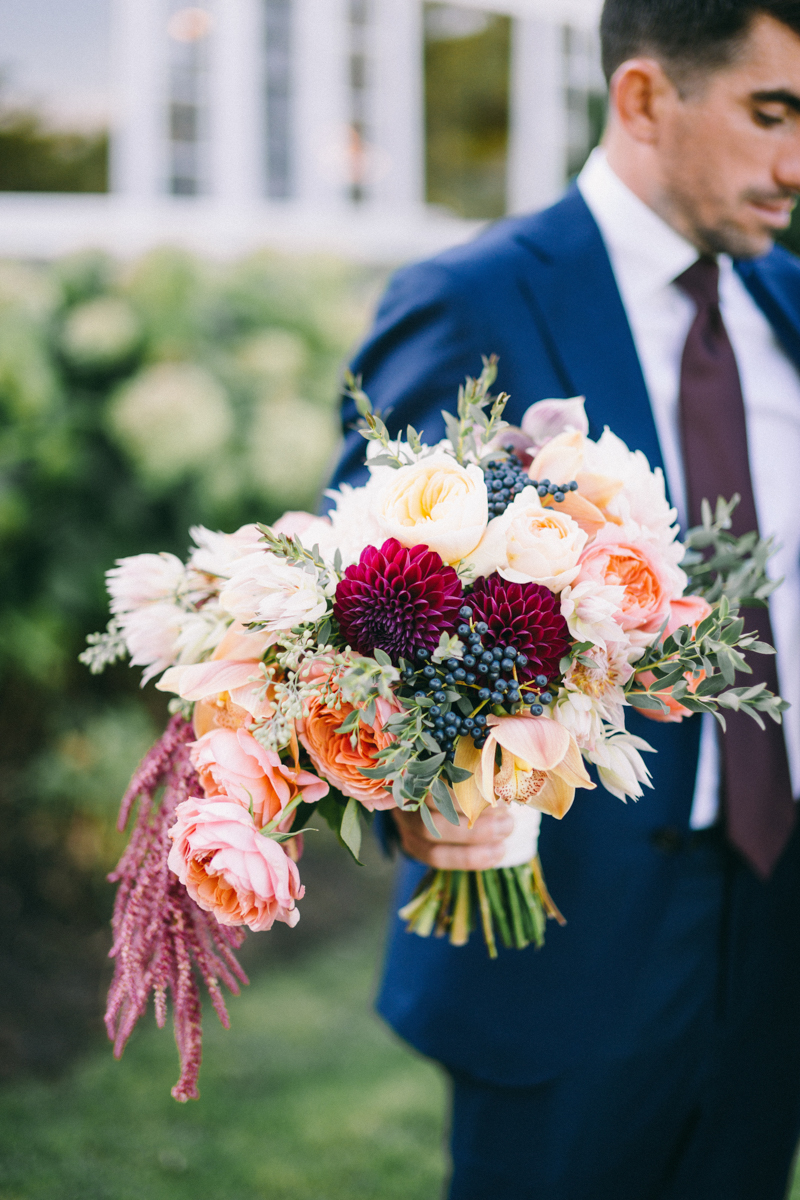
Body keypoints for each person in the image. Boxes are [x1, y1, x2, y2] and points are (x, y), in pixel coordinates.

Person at [328, 2, 800, 1196]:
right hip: (565, 936)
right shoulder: (475, 300)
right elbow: (366, 607)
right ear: (643, 99)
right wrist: (423, 796)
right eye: (770, 112)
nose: (795, 163)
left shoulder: (786, 303)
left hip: (774, 925)